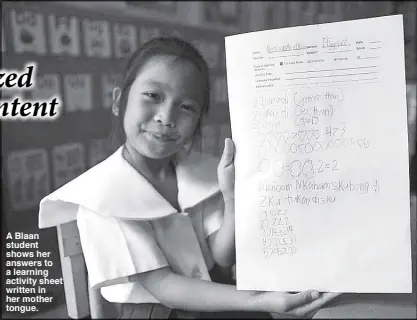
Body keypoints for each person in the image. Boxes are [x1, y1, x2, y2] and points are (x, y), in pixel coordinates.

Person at [38, 37, 341, 319]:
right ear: (119, 101)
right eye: (153, 96)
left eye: (186, 106)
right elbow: (165, 286)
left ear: (198, 121)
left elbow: (220, 256)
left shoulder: (195, 171)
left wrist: (232, 199)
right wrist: (259, 300)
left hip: (221, 296)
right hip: (158, 312)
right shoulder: (100, 196)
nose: (166, 117)